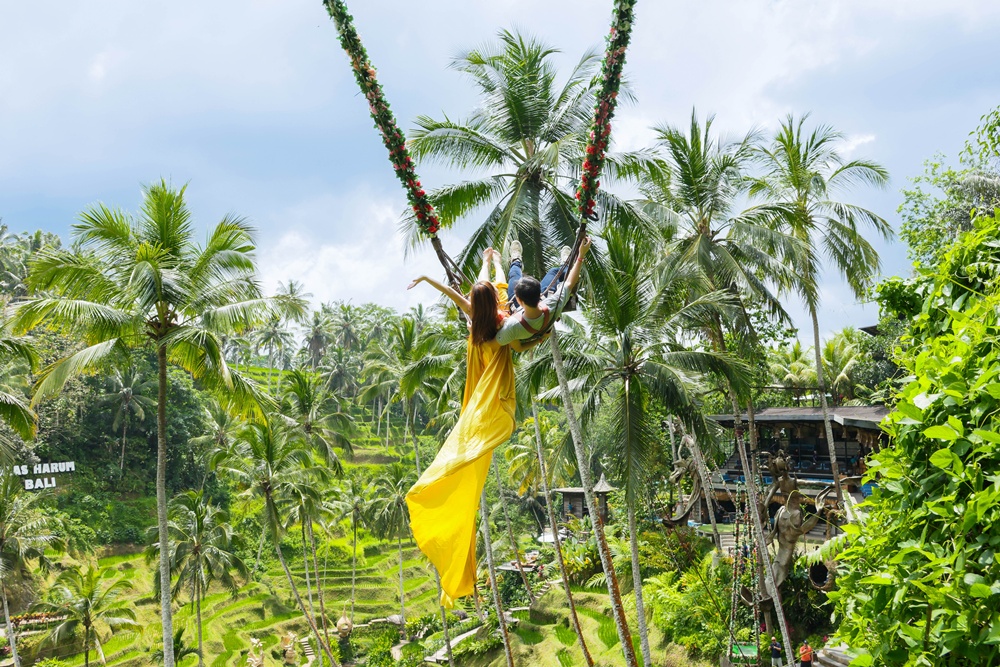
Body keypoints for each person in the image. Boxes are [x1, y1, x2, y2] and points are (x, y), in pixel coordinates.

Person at [404, 275, 544, 607]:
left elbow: (458, 296)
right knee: (469, 470)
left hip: (476, 404)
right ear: (492, 304)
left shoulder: (476, 328)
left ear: (474, 307)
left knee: (468, 471)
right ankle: (459, 576)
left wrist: (427, 279)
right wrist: (540, 334)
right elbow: (523, 343)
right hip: (490, 406)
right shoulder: (501, 335)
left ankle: (458, 576)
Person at [496, 236, 592, 348]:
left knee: (514, 274)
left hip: (520, 316)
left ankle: (516, 261)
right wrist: (580, 255)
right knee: (554, 272)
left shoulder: (511, 326)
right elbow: (570, 283)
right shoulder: (553, 302)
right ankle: (566, 266)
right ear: (540, 292)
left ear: (518, 299)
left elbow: (515, 348)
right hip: (540, 312)